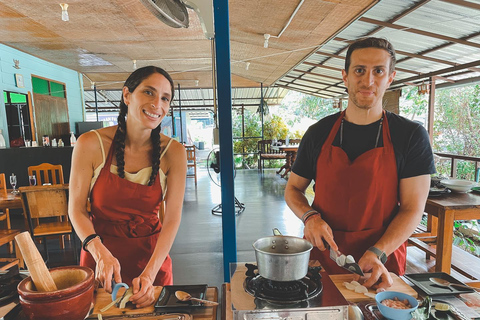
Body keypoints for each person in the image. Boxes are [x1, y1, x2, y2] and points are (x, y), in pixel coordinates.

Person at [284, 37, 435, 289]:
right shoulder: (318, 132)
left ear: (390, 77)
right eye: (359, 70)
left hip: (380, 260)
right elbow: (293, 189)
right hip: (323, 256)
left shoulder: (410, 135)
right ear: (345, 77)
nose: (368, 81)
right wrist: (309, 217)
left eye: (378, 71)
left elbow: (412, 208)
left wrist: (378, 251)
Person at [68, 66, 187, 308]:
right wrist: (99, 252)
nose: (157, 104)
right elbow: (76, 210)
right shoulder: (90, 144)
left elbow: (173, 218)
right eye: (149, 93)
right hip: (99, 256)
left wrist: (151, 274)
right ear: (126, 95)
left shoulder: (173, 152)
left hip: (152, 260)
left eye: (165, 98)